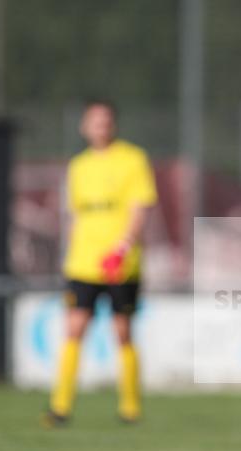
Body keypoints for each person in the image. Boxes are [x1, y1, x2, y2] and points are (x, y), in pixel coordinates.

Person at [43, 99, 157, 427]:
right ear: (84, 126)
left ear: (113, 125)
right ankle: (60, 407)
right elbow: (76, 216)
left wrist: (123, 246)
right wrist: (70, 254)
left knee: (122, 331)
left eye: (106, 121)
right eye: (94, 121)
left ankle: (130, 408)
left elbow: (140, 207)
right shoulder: (78, 166)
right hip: (83, 263)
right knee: (74, 328)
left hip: (121, 262)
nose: (100, 127)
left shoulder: (133, 159)